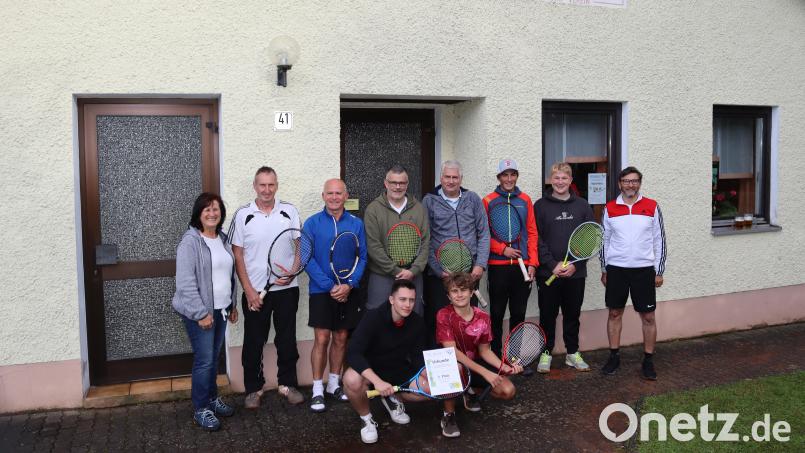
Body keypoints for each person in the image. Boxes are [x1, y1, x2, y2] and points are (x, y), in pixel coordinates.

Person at [228, 167, 304, 409]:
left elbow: (300, 245)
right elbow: (237, 255)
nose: (267, 190)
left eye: (271, 185)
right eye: (262, 185)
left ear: (277, 186)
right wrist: (249, 291)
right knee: (253, 342)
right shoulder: (242, 215)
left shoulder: (289, 211)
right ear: (254, 186)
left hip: (287, 290)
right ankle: (253, 388)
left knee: (287, 339)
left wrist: (292, 271)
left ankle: (288, 384)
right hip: (255, 293)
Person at [172, 192, 238, 431]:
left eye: (216, 209)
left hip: (221, 309)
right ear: (198, 214)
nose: (212, 213)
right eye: (207, 209)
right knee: (205, 361)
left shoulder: (222, 238)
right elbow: (185, 283)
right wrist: (200, 313)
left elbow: (228, 275)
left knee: (213, 359)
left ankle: (211, 400)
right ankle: (201, 409)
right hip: (200, 313)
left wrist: (232, 305)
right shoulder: (190, 242)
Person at [303, 179, 368, 412]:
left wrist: (349, 285)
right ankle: (317, 389)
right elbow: (306, 259)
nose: (334, 197)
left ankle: (333, 383)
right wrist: (330, 286)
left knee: (341, 338)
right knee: (321, 338)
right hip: (322, 291)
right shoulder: (311, 223)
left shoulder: (356, 223)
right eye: (329, 193)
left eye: (338, 193)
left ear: (345, 195)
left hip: (348, 291)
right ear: (323, 196)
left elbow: (363, 258)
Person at [599, 166, 667, 380]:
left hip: (644, 271)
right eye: (626, 181)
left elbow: (659, 239)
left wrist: (659, 270)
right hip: (616, 269)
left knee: (648, 316)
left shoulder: (652, 206)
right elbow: (604, 240)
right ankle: (614, 356)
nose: (631, 185)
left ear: (640, 183)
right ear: (620, 184)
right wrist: (604, 268)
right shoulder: (610, 208)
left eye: (635, 181)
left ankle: (648, 360)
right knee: (614, 313)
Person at [434, 273, 522, 438]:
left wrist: (505, 368)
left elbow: (485, 351)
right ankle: (449, 415)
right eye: (454, 291)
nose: (459, 294)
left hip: (473, 365)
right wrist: (485, 372)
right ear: (448, 296)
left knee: (508, 390)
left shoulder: (483, 317)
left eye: (463, 290)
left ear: (472, 292)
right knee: (455, 367)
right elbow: (452, 352)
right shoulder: (443, 315)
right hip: (451, 365)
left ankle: (468, 390)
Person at [342, 279, 429, 444]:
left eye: (411, 300)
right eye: (402, 299)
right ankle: (366, 419)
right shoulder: (372, 317)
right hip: (370, 371)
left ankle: (391, 398)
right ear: (391, 299)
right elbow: (353, 353)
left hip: (396, 369)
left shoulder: (416, 322)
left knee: (429, 390)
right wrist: (378, 382)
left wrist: (430, 376)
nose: (407, 304)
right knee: (351, 380)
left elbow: (417, 356)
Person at [534, 163, 595, 373]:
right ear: (551, 180)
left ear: (570, 181)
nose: (560, 182)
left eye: (564, 178)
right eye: (556, 178)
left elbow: (589, 238)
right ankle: (546, 353)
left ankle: (572, 353)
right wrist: (552, 264)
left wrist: (575, 265)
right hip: (548, 273)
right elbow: (537, 239)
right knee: (547, 315)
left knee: (572, 314)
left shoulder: (583, 206)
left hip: (575, 274)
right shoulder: (540, 206)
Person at [422, 160, 490, 338]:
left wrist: (480, 265)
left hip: (469, 274)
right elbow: (425, 239)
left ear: (461, 179)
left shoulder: (473, 198)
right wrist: (438, 270)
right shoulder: (429, 201)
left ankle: (467, 362)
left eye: (455, 177)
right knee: (438, 321)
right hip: (441, 276)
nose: (451, 181)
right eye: (447, 177)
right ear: (441, 178)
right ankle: (439, 364)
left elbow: (483, 234)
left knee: (468, 322)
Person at [483, 159, 539, 362]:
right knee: (496, 315)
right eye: (505, 175)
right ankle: (497, 359)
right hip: (497, 268)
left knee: (518, 315)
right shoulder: (488, 201)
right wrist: (502, 249)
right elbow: (482, 234)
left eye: (512, 174)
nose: (509, 179)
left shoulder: (525, 200)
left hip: (522, 268)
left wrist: (533, 262)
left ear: (517, 176)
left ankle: (514, 359)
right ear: (499, 178)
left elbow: (532, 232)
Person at [364, 164, 430, 315]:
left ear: (407, 184)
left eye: (402, 183)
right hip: (382, 276)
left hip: (413, 276)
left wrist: (413, 271)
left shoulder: (419, 209)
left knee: (413, 320)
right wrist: (396, 271)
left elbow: (425, 243)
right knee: (379, 320)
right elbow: (374, 246)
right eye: (393, 182)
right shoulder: (373, 209)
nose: (398, 187)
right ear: (386, 183)